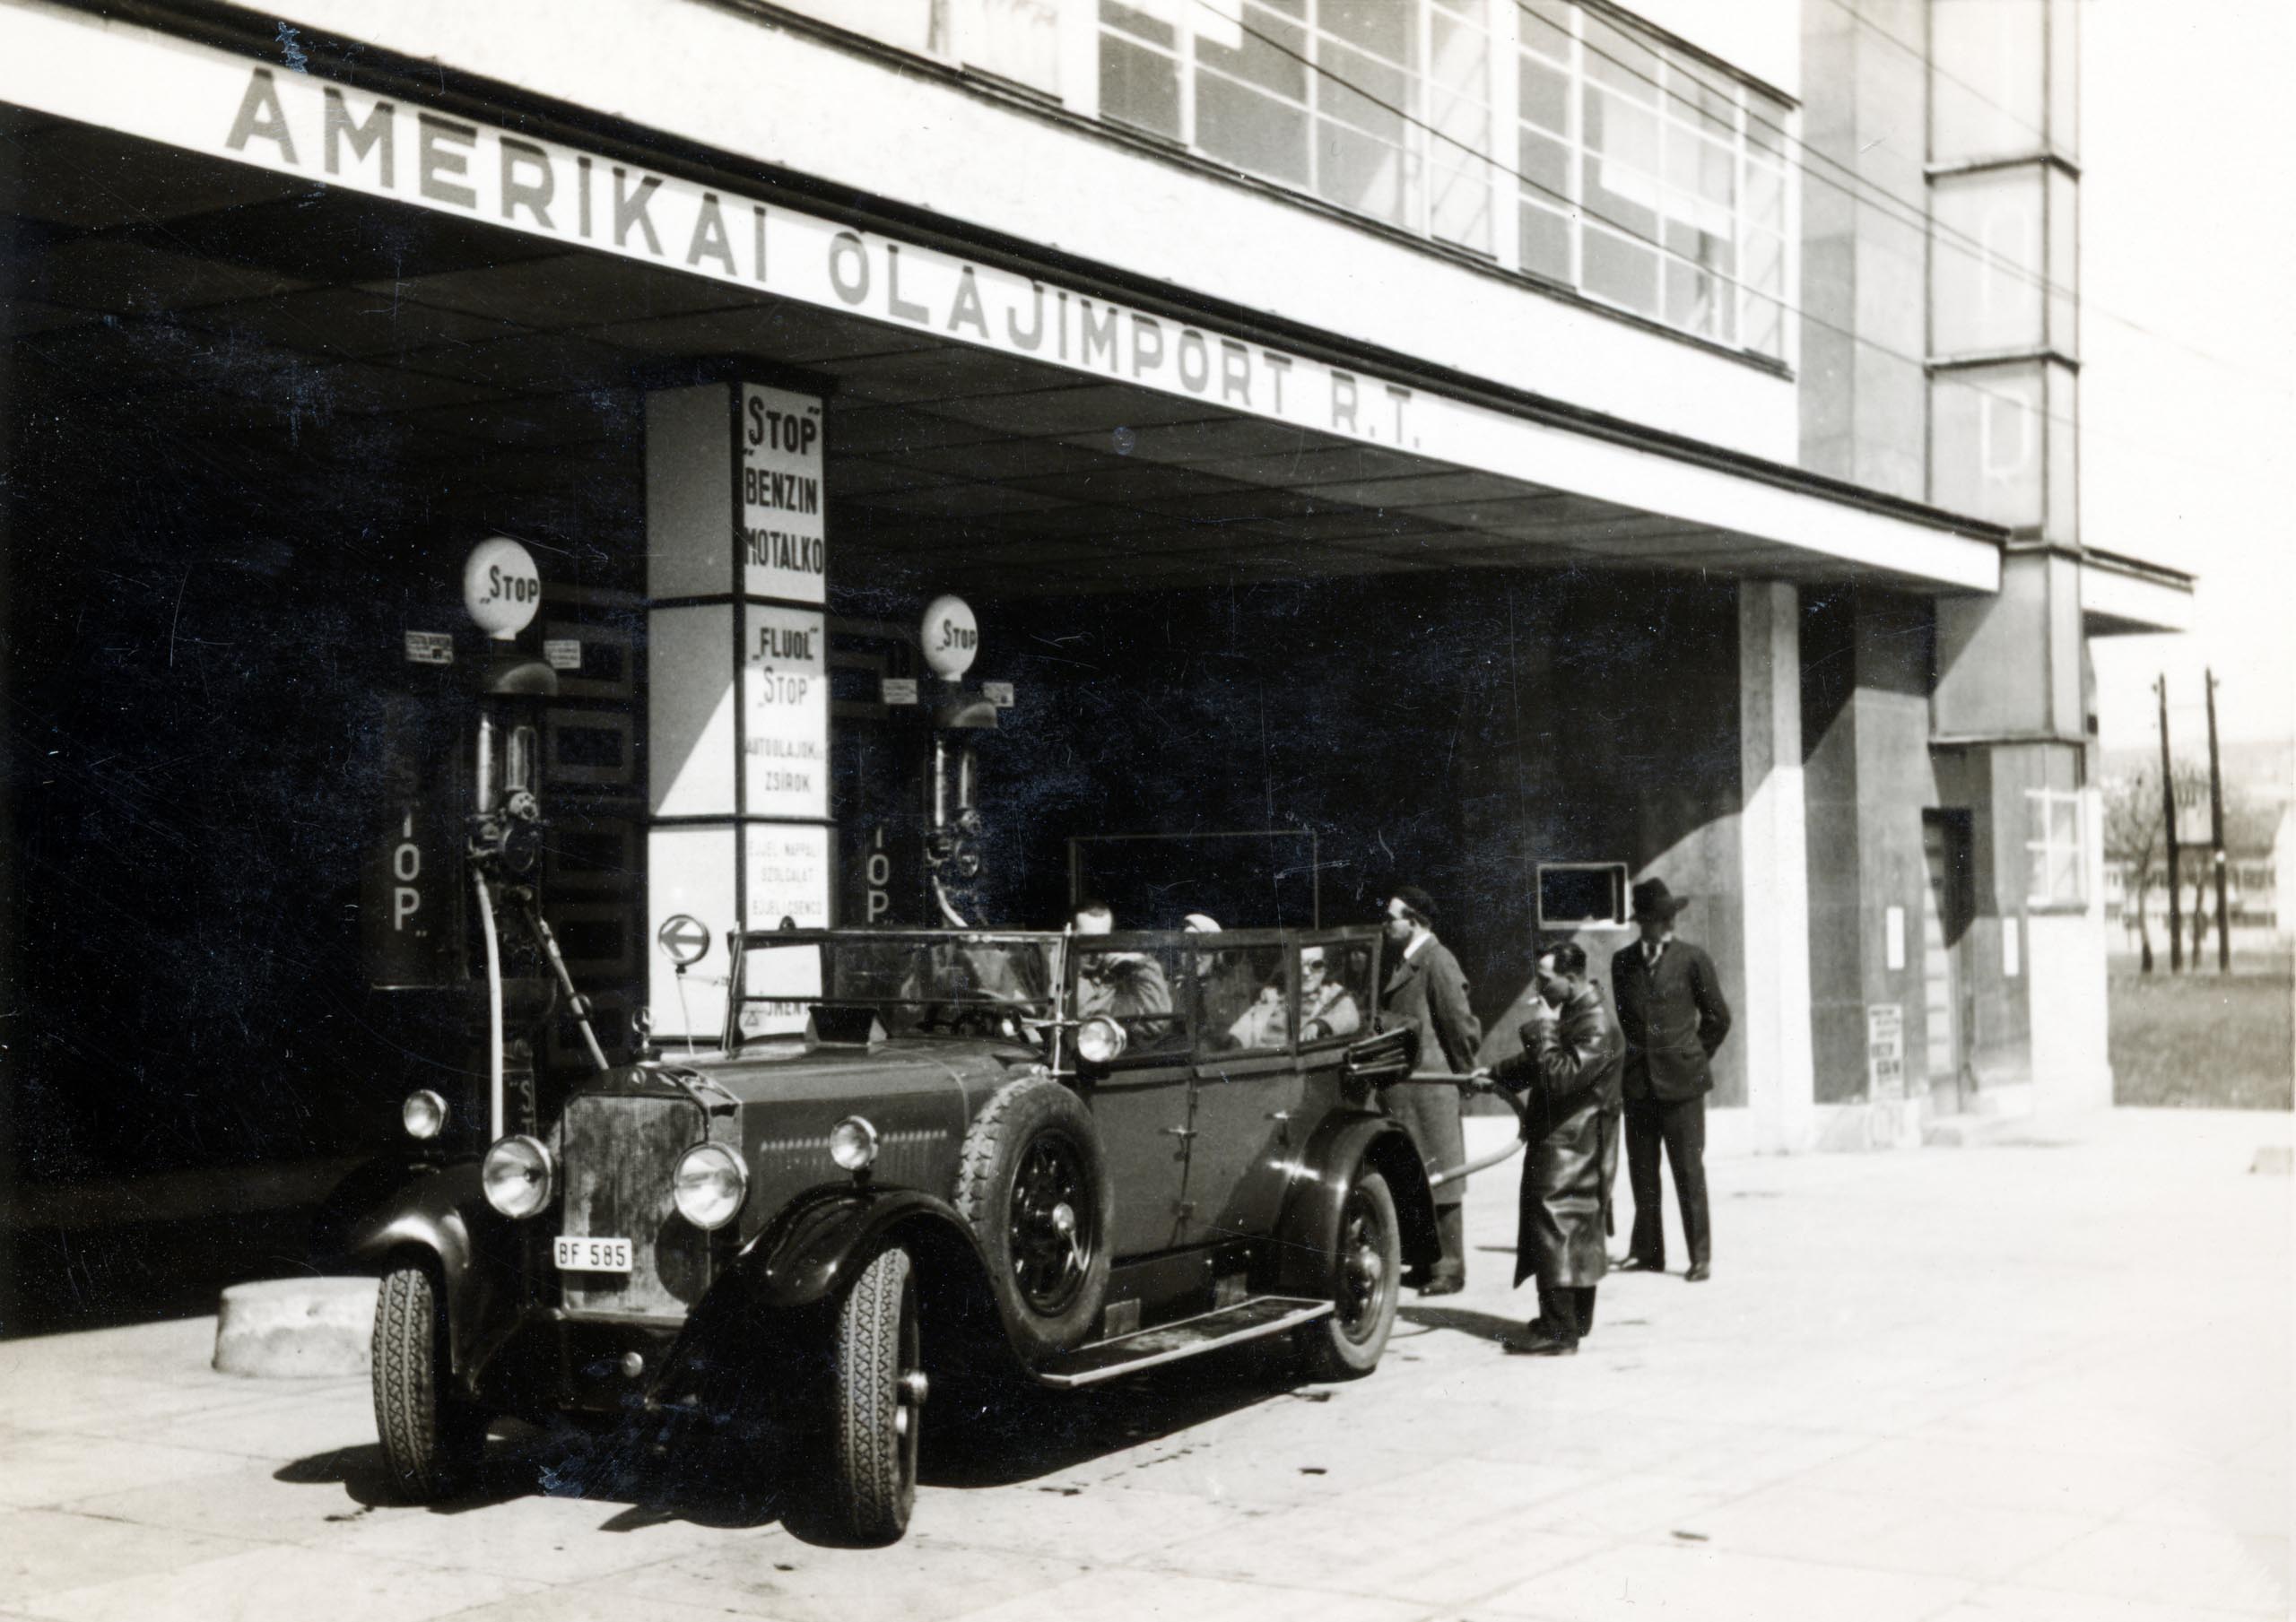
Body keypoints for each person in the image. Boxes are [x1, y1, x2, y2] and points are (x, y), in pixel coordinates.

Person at [1474, 941, 1622, 1356]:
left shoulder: (1598, 1025)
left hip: (1572, 1143)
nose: (1537, 990)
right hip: (1569, 1139)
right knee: (1573, 1229)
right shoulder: (1579, 1014)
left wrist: (1541, 1027)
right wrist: (1496, 1074)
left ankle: (1559, 1332)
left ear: (1571, 978)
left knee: (1556, 1227)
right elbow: (1544, 1061)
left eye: (1544, 980)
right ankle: (1572, 1320)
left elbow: (1557, 1075)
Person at [1610, 878, 1733, 1282]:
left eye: (1669, 918)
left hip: (1683, 1086)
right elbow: (1628, 1022)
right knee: (1642, 1171)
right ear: (1642, 923)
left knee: (1687, 1170)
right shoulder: (1622, 963)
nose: (1667, 925)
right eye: (1658, 919)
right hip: (1639, 1085)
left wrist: (1694, 1055)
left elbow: (1718, 1016)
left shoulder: (1692, 959)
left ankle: (1700, 1256)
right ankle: (1647, 1250)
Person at [1379, 885, 1481, 1296]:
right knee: (1418, 1178)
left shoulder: (1437, 960)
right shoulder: (1406, 960)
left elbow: (1460, 1024)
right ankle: (1424, 1263)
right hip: (1410, 1091)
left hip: (1433, 1088)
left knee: (1443, 1180)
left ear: (1415, 921)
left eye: (1392, 918)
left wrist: (1465, 1074)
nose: (1386, 924)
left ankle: (1450, 1268)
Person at [1071, 900, 1172, 1022]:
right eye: (1088, 941)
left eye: (1103, 940)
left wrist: (1142, 965)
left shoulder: (1123, 976)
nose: (1096, 950)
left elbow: (1158, 1023)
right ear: (1071, 935)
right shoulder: (1055, 975)